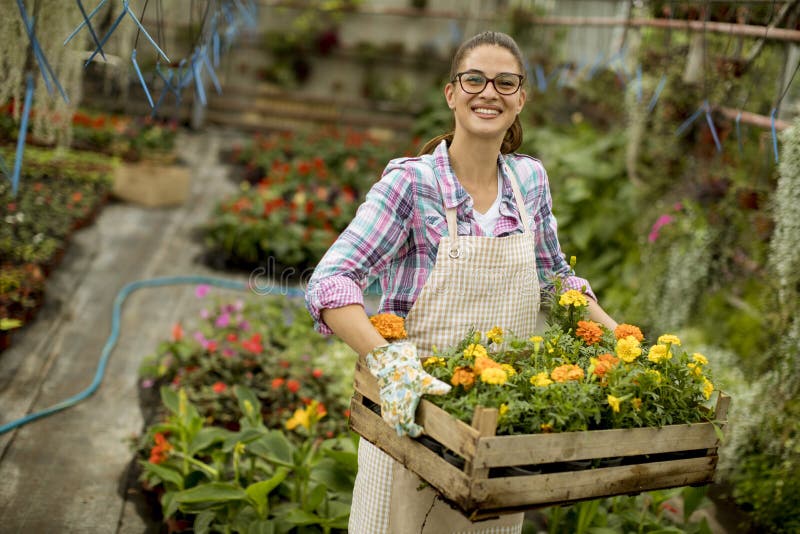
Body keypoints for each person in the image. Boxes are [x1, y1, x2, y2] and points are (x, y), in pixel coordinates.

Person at [305, 30, 618, 534]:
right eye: (474, 79)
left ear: (520, 100)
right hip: (415, 422)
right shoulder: (412, 184)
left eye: (505, 82)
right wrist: (388, 363)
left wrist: (625, 340)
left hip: (496, 437)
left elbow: (554, 280)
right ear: (451, 93)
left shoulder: (530, 183)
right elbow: (331, 281)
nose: (488, 92)